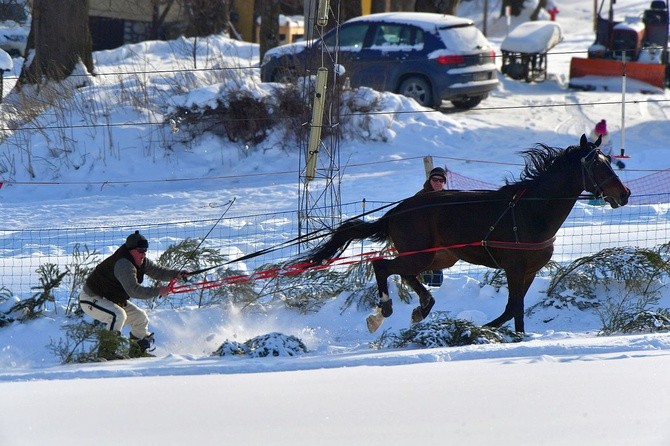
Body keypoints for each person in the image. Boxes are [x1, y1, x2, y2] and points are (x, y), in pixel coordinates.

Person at [80, 230, 188, 359]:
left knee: (140, 318)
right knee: (117, 315)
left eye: (145, 250)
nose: (143, 254)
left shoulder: (140, 261)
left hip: (111, 299)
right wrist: (159, 290)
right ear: (130, 250)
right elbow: (134, 291)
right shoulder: (123, 264)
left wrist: (177, 274)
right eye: (140, 251)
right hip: (91, 298)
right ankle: (106, 353)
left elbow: (157, 272)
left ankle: (137, 352)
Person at [416, 167, 447, 287]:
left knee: (438, 265)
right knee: (424, 265)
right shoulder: (420, 197)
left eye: (441, 180)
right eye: (435, 179)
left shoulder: (446, 196)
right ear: (430, 180)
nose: (438, 183)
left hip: (440, 240)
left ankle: (436, 289)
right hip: (422, 238)